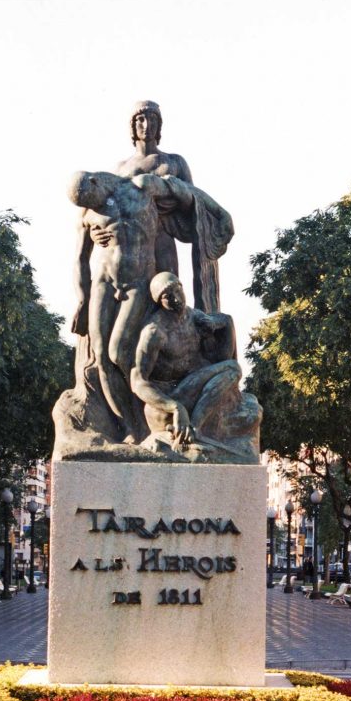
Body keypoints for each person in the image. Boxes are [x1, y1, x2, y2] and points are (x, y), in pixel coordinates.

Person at [68, 172, 229, 443]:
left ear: (95, 182)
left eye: (90, 199)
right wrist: (82, 299)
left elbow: (187, 192)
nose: (90, 206)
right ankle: (131, 428)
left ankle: (151, 414)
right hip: (104, 283)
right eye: (84, 203)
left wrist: (220, 213)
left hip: (138, 284)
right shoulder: (87, 214)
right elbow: (79, 260)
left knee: (119, 353)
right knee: (100, 355)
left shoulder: (141, 187)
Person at [116, 100, 233, 314]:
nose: (146, 124)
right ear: (132, 126)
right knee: (132, 305)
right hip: (131, 245)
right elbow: (110, 210)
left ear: (159, 125)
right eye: (140, 119)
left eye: (152, 119)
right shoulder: (122, 169)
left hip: (163, 238)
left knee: (168, 299)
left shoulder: (174, 162)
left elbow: (194, 201)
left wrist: (174, 188)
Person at [130, 272, 242, 450]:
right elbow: (137, 382)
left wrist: (220, 324)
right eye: (167, 296)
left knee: (230, 362)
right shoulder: (154, 331)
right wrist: (174, 407)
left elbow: (221, 355)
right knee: (232, 368)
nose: (175, 298)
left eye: (177, 290)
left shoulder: (194, 316)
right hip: (165, 405)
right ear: (159, 302)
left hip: (189, 392)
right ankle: (193, 428)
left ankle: (194, 428)